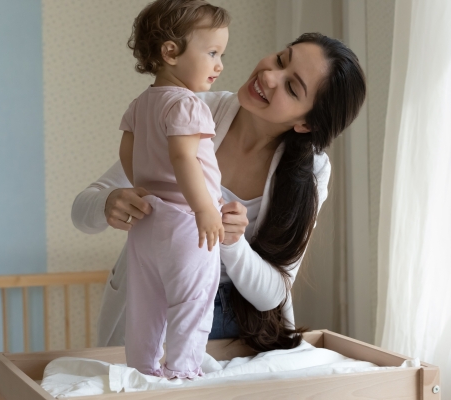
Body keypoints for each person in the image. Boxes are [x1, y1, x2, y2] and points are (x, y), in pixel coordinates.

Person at [72, 31, 366, 354]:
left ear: (305, 124)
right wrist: (107, 204)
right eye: (281, 59)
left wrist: (233, 242)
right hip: (158, 307)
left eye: (291, 87)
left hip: (243, 331)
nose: (269, 76)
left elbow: (274, 292)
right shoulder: (188, 109)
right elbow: (82, 210)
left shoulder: (311, 171)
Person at [114, 0, 230, 379]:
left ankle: (143, 370)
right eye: (212, 52)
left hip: (148, 222)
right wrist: (204, 208)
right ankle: (182, 372)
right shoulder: (188, 104)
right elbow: (185, 159)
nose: (219, 64)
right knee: (193, 302)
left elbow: (127, 152)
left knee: (144, 304)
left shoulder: (141, 104)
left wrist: (145, 189)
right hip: (185, 222)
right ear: (171, 52)